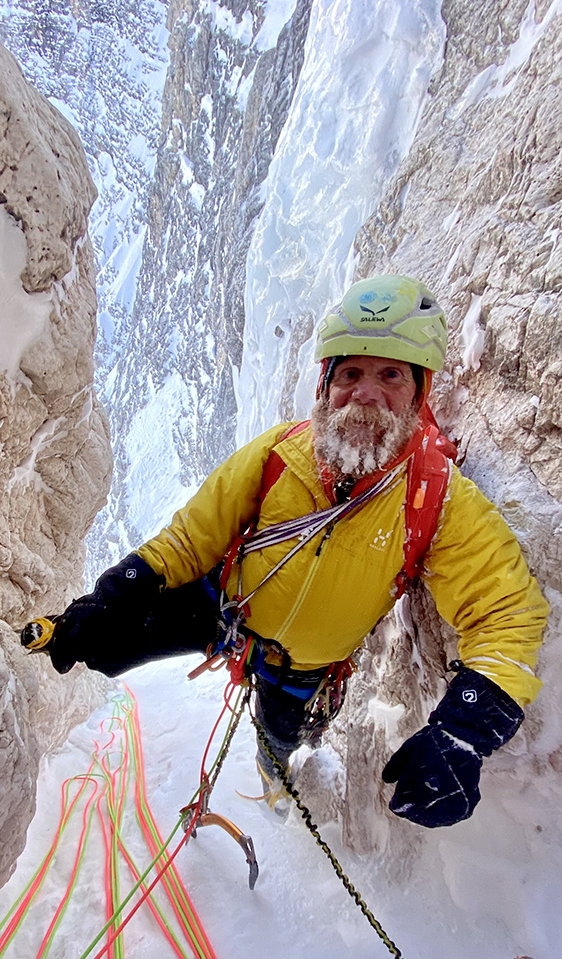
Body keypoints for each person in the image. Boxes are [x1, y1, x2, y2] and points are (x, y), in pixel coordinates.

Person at [22, 275, 548, 828]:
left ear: (419, 392)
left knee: (280, 734)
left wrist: (463, 731)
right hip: (223, 609)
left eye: (390, 374)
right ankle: (62, 632)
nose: (365, 394)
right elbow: (190, 538)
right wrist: (114, 595)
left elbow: (508, 616)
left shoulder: (436, 497)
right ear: (326, 386)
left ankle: (274, 773)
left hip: (305, 671)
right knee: (104, 640)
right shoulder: (279, 454)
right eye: (350, 373)